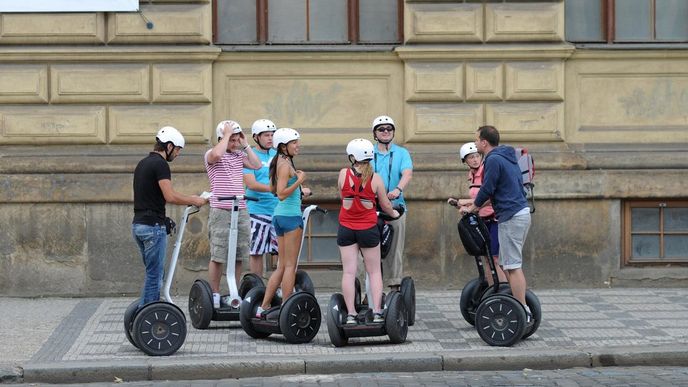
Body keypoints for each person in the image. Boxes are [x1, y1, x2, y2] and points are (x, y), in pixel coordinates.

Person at [462, 125, 532, 323]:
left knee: (513, 266)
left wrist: (474, 207)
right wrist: (471, 205)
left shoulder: (493, 159)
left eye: (476, 140)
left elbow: (487, 189)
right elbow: (494, 192)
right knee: (504, 262)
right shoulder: (507, 157)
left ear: (484, 142)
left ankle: (522, 310)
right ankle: (517, 302)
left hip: (511, 216)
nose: (475, 144)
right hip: (518, 213)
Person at [132, 126, 208, 309]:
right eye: (178, 149)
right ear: (169, 146)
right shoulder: (160, 164)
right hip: (152, 228)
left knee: (154, 273)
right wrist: (194, 199)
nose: (178, 153)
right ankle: (149, 318)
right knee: (155, 276)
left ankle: (144, 313)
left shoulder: (143, 163)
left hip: (138, 225)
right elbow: (170, 196)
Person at [338, 139, 400, 324]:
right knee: (374, 272)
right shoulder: (376, 179)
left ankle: (350, 314)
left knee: (349, 272)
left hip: (346, 228)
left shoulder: (343, 174)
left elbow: (341, 194)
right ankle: (378, 312)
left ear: (352, 157)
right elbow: (386, 205)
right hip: (368, 229)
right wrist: (394, 213)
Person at [205, 120, 262, 309]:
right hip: (221, 210)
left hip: (241, 209)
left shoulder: (239, 155)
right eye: (231, 139)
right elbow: (216, 154)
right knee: (219, 254)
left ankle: (233, 292)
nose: (234, 143)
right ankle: (214, 293)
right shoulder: (212, 155)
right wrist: (227, 135)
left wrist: (245, 144)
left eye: (236, 139)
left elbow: (257, 165)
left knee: (239, 254)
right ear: (222, 138)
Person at [256, 128, 312, 317]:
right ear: (283, 146)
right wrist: (300, 182)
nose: (298, 145)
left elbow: (272, 189)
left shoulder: (278, 161)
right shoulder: (285, 165)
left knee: (281, 266)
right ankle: (287, 309)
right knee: (290, 267)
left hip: (279, 217)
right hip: (290, 217)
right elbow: (280, 194)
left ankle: (263, 307)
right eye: (294, 142)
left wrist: (297, 189)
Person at [448, 142, 507, 285]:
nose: (475, 159)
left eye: (477, 156)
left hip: (494, 220)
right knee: (486, 257)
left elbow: (489, 197)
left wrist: (466, 202)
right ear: (465, 161)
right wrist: (460, 204)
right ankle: (492, 290)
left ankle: (504, 291)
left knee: (494, 258)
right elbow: (477, 199)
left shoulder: (486, 171)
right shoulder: (472, 175)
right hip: (482, 220)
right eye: (470, 157)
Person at [370, 115, 413, 291]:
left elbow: (407, 173)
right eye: (381, 129)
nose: (386, 131)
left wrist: (398, 189)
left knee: (394, 249)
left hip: (396, 207)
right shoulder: (369, 153)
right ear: (375, 133)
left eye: (389, 129)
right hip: (372, 208)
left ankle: (394, 285)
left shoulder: (402, 153)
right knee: (369, 250)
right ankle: (369, 289)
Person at [243, 119, 279, 278]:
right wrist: (276, 189)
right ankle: (257, 288)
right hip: (257, 211)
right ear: (256, 137)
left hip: (278, 209)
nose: (270, 138)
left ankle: (279, 288)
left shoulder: (278, 154)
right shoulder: (249, 155)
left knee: (281, 251)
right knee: (256, 252)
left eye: (272, 135)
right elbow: (251, 184)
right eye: (266, 135)